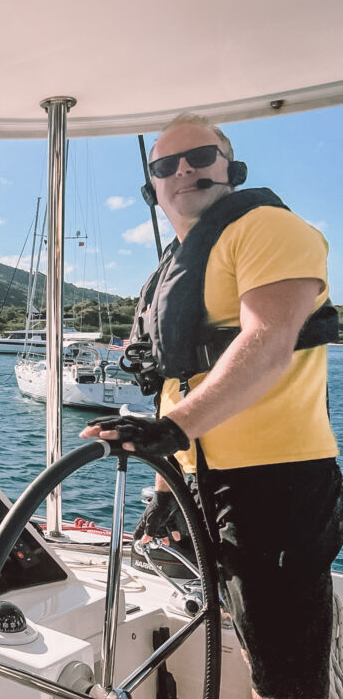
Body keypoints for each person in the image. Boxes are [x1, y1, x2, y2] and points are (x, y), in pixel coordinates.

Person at [81, 113, 342, 699]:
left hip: (278, 482)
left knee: (288, 676)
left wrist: (172, 430)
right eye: (165, 164)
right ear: (152, 187)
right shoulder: (169, 272)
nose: (183, 171)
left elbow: (267, 342)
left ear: (232, 168)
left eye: (200, 157)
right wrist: (169, 493)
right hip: (206, 482)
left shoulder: (269, 229)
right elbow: (177, 383)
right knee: (255, 650)